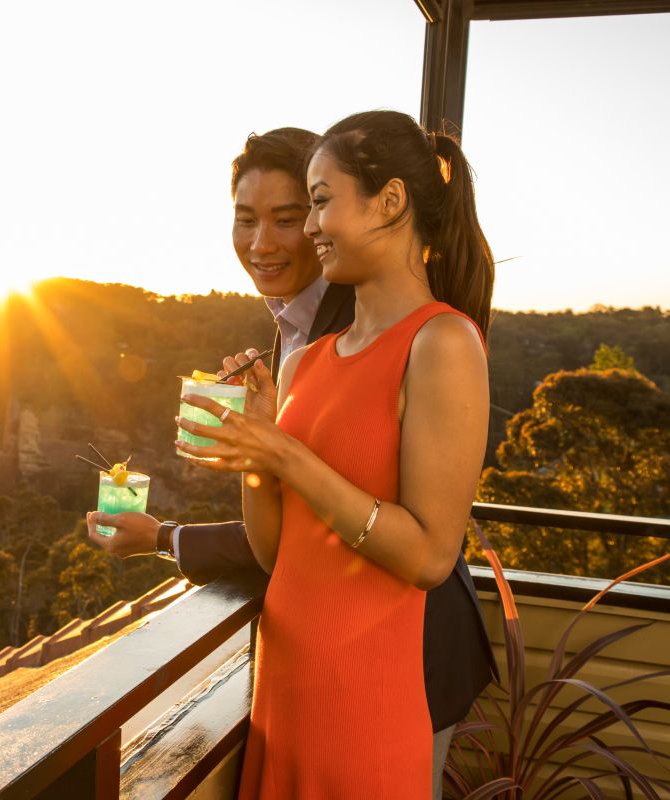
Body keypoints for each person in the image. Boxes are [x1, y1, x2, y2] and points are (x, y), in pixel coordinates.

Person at [87, 125, 494, 798]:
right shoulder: (305, 357)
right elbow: (278, 552)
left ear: (391, 203)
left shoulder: (444, 342)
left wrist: (284, 453)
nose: (308, 229)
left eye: (317, 204)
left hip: (368, 696)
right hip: (285, 687)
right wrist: (255, 453)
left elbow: (429, 557)